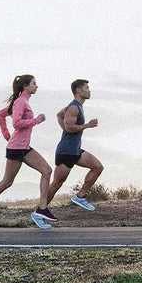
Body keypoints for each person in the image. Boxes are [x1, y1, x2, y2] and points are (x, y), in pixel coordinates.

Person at [0, 75, 57, 230]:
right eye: (34, 84)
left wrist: (7, 134)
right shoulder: (20, 102)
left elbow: (2, 114)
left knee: (47, 170)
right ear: (25, 86)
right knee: (7, 182)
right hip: (16, 148)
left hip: (24, 147)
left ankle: (41, 209)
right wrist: (36, 121)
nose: (36, 86)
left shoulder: (23, 101)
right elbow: (16, 123)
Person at [46, 79, 103, 213]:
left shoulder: (76, 106)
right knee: (57, 184)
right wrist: (87, 125)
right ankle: (40, 210)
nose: (89, 91)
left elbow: (60, 116)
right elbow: (70, 128)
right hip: (66, 151)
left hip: (75, 150)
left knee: (97, 167)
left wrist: (65, 128)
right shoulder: (74, 107)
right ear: (78, 90)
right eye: (87, 88)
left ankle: (80, 196)